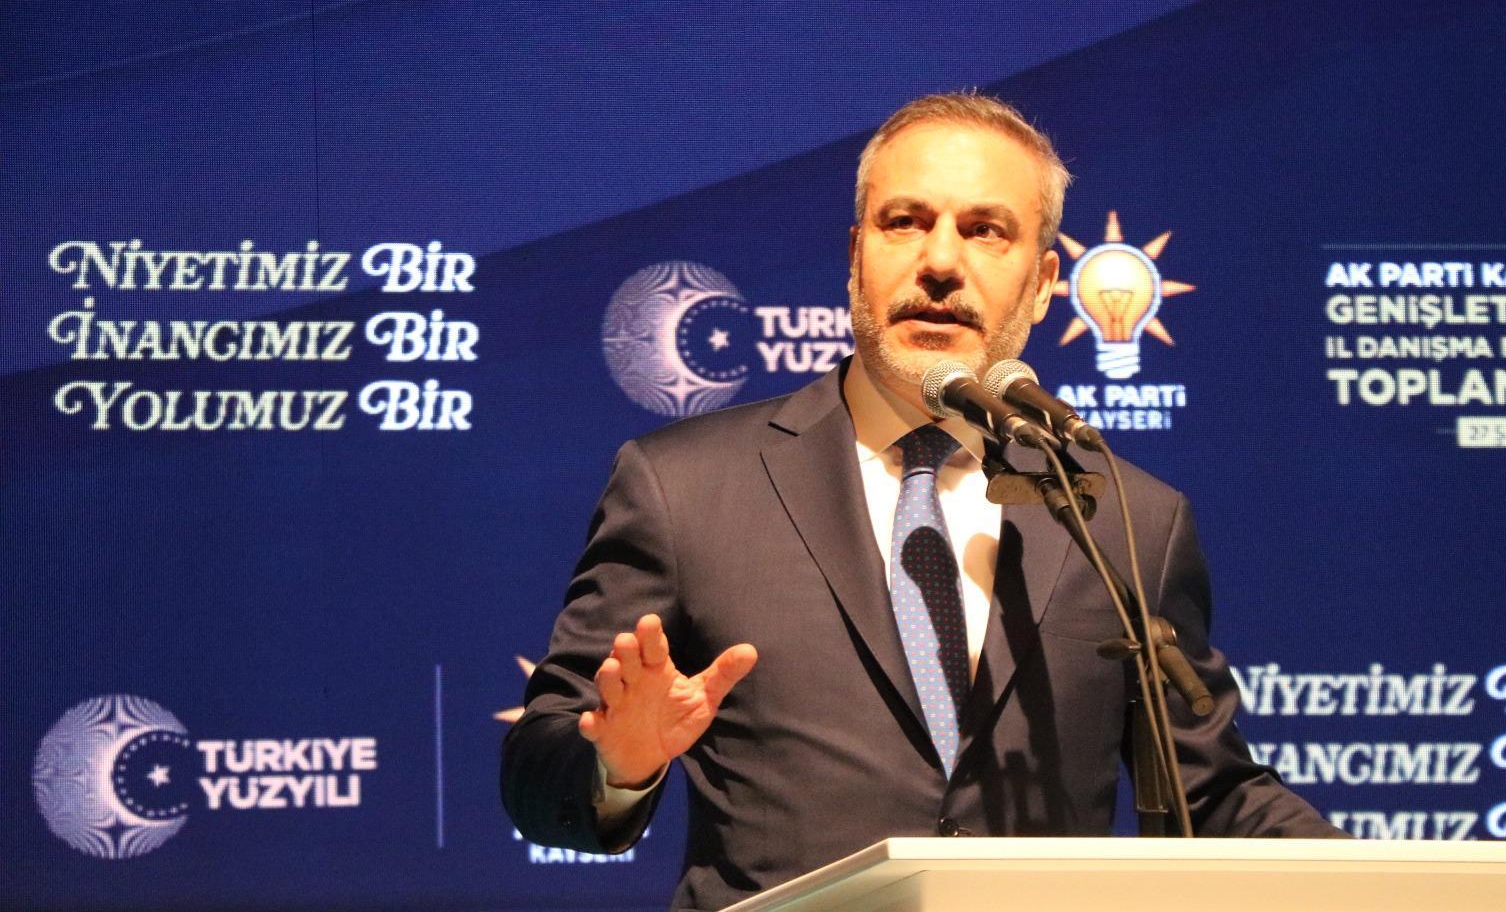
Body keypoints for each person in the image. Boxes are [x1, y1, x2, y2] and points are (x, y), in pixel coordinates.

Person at [501, 93, 1340, 911]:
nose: (940, 262)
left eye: (985, 230)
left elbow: (1211, 794)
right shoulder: (685, 486)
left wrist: (1389, 888)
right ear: (855, 255)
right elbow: (539, 774)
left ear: (1044, 282)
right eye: (905, 221)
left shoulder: (1125, 519)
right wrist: (619, 763)